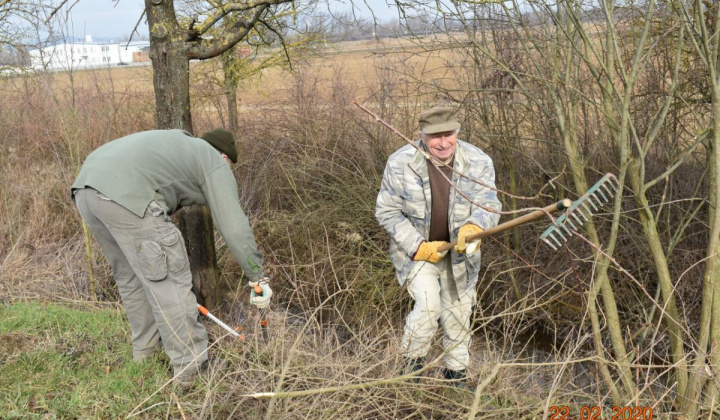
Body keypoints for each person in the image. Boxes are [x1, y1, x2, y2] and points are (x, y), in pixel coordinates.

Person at [71, 128, 272, 387]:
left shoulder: (178, 146)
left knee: (132, 279)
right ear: (225, 157)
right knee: (170, 284)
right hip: (128, 196)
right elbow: (233, 226)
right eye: (230, 167)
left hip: (87, 190)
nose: (228, 172)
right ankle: (192, 368)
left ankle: (145, 354)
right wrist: (256, 274)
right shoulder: (212, 160)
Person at [375, 106, 501, 386]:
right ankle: (411, 375)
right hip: (417, 254)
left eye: (449, 135)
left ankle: (455, 379)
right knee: (429, 306)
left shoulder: (478, 161)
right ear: (422, 137)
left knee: (459, 315)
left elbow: (490, 204)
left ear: (457, 133)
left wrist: (475, 227)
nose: (443, 143)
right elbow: (387, 212)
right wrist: (417, 246)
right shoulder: (401, 162)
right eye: (435, 137)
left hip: (461, 256)